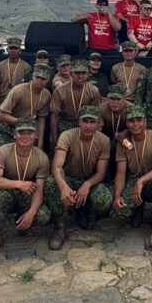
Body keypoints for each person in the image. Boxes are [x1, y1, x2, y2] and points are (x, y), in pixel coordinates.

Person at [0, 118, 53, 255]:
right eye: (21, 132)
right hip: (6, 192)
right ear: (14, 134)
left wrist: (31, 213)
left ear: (36, 135)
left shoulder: (42, 157)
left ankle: (22, 219)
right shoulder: (2, 151)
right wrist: (18, 184)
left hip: (26, 194)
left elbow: (39, 189)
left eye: (30, 132)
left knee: (43, 216)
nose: (25, 136)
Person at [45, 106, 112, 249]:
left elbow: (101, 173)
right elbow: (56, 166)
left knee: (103, 199)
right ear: (79, 122)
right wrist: (63, 187)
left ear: (98, 123)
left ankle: (85, 209)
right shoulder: (67, 136)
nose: (88, 126)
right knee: (52, 183)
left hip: (88, 181)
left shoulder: (104, 141)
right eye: (85, 121)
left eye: (92, 122)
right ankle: (59, 226)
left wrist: (87, 185)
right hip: (68, 178)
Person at [112, 104, 152, 247]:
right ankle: (138, 208)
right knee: (119, 213)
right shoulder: (124, 143)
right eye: (131, 121)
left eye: (139, 120)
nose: (136, 124)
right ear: (127, 123)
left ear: (145, 121)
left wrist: (142, 181)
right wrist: (117, 195)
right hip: (134, 181)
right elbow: (120, 173)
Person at [0, 66, 53, 154]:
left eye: (43, 79)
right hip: (9, 129)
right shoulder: (18, 90)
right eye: (37, 77)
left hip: (28, 132)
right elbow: (1, 115)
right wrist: (23, 122)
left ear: (48, 81)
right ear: (32, 76)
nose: (40, 81)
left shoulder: (46, 95)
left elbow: (42, 119)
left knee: (28, 161)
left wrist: (40, 143)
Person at [50, 60, 102, 139]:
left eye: (83, 73)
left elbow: (96, 116)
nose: (80, 76)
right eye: (77, 73)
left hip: (85, 125)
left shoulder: (93, 91)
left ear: (88, 75)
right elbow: (54, 116)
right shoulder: (60, 91)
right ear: (71, 74)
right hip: (65, 124)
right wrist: (54, 138)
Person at [0, 38, 30, 106]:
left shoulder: (26, 67)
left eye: (16, 48)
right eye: (11, 48)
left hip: (19, 102)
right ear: (7, 50)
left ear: (19, 50)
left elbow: (28, 90)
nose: (13, 51)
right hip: (3, 101)